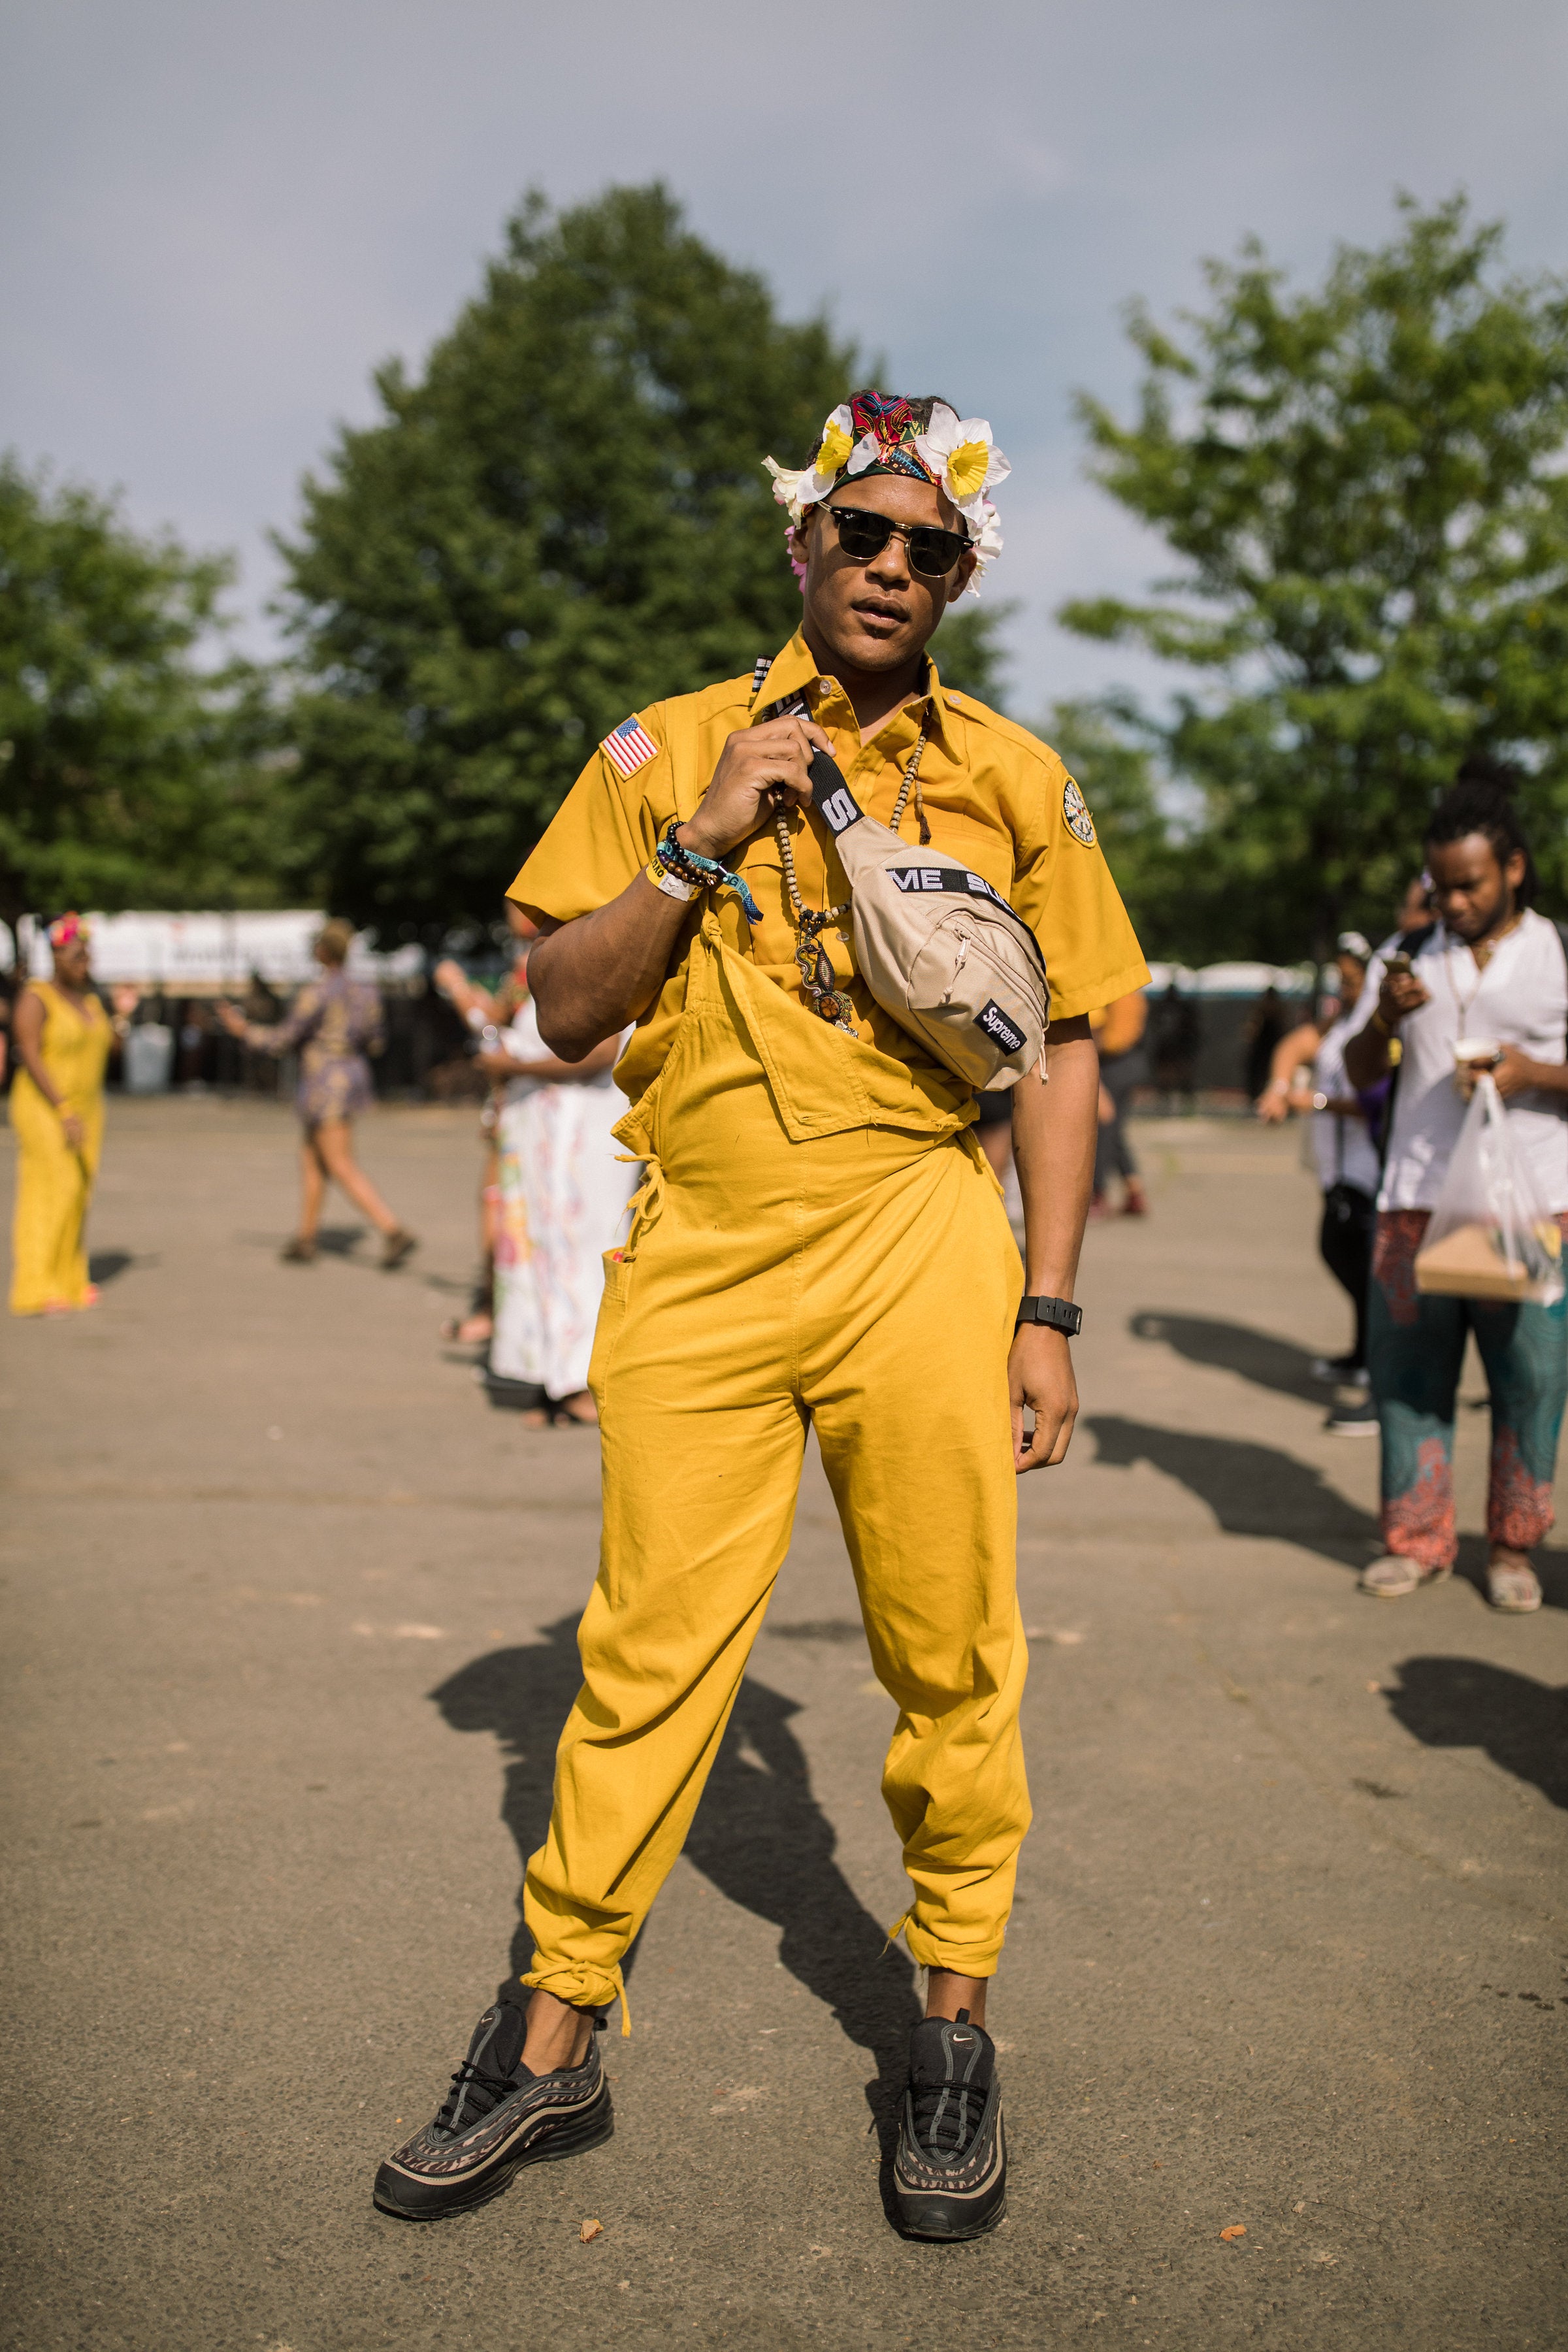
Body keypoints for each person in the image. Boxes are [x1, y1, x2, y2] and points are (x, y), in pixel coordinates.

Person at [374, 389, 1147, 2238]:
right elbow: (561, 1007)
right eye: (862, 536)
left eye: (929, 549)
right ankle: (552, 2039)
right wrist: (701, 837)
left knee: (953, 1650)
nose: (892, 567)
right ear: (800, 545)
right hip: (705, 1251)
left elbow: (1066, 1060)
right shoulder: (663, 747)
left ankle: (949, 2026)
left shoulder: (1018, 780)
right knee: (647, 1656)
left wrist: (1049, 1305)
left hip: (917, 1237)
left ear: (959, 574)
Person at [1344, 771, 1568, 1612]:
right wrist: (1383, 1022)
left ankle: (1513, 1548)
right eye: (1442, 886)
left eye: (1471, 884)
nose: (1455, 901)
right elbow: (1360, 1074)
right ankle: (1415, 1541)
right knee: (1408, 1376)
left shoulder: (1557, 953)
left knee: (1532, 1381)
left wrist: (1532, 1072)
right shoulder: (1406, 959)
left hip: (1536, 1201)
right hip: (1416, 1199)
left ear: (1514, 866)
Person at [217, 918, 417, 1269]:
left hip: (324, 1080)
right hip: (351, 1075)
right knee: (311, 1158)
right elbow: (376, 1041)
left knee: (339, 1162)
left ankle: (393, 1230)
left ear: (322, 952)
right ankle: (305, 1238)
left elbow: (283, 1039)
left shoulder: (317, 992)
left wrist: (243, 1030)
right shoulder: (366, 992)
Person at [479, 985, 633, 1425]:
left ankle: (586, 1383)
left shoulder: (601, 953)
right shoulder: (545, 960)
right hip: (548, 1135)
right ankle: (556, 1376)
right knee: (544, 1251)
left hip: (581, 1137)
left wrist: (510, 1065)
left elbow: (602, 1052)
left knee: (583, 1251)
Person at [1256, 934, 1379, 1433]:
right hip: (1341, 1169)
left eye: (1354, 981)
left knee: (1369, 1271)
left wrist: (1318, 1103)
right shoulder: (1343, 1021)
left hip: (1374, 1170)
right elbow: (1297, 1045)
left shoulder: (1378, 1025)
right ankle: (1363, 1352)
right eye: (1342, 981)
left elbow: (1381, 1101)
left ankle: (1380, 1370)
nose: (1346, 989)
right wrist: (1280, 1087)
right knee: (1339, 1251)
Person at [8, 915, 137, 1316]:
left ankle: (69, 1279)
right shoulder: (36, 997)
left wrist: (123, 1014)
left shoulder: (91, 1000)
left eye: (87, 955)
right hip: (46, 1106)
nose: (85, 962)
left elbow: (112, 1050)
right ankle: (35, 1285)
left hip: (88, 1108)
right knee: (50, 1190)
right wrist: (61, 1108)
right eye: (76, 955)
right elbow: (29, 1053)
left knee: (78, 1192)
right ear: (57, 956)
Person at [433, 907, 536, 1346]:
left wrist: (458, 990)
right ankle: (494, 1306)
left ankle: (493, 1309)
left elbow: (490, 1026)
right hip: (524, 1100)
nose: (512, 905)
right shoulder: (540, 958)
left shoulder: (535, 963)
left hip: (526, 1100)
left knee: (497, 1202)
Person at [1088, 988, 1150, 1217]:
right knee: (1114, 1131)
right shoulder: (1132, 987)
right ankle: (1134, 1190)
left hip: (1112, 1063)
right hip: (1128, 1061)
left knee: (1104, 1128)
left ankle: (1098, 1193)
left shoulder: (1111, 984)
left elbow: (1098, 1032)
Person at [1149, 982, 1200, 1111]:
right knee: (1167, 1075)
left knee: (1183, 1074)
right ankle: (1166, 1101)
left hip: (1180, 1046)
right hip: (1167, 1047)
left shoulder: (1181, 1009)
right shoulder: (1163, 1008)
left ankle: (1186, 1102)